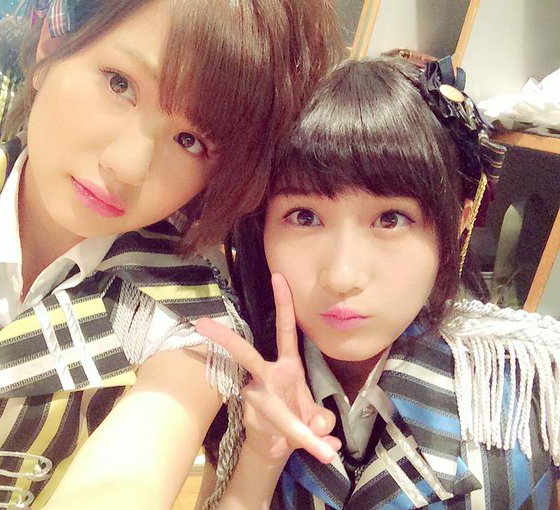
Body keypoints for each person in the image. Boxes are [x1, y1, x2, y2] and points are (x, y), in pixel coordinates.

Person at [0, 0, 342, 508]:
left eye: (190, 140)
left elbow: (128, 481)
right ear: (53, 44)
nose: (129, 165)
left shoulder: (187, 320)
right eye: (120, 84)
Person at [197, 57, 560, 509]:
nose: (342, 276)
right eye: (304, 217)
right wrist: (259, 459)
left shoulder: (532, 385)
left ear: (457, 223)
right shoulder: (233, 386)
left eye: (391, 219)